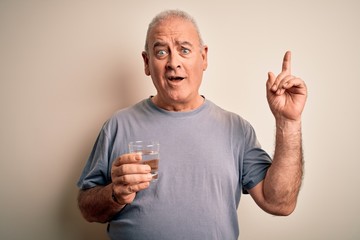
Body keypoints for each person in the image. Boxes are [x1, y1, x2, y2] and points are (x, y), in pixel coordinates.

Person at [77, 9, 307, 239]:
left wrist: (288, 121)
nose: (173, 62)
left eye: (184, 50)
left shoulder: (236, 129)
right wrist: (114, 194)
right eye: (161, 52)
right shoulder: (118, 125)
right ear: (147, 63)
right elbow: (87, 208)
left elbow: (279, 203)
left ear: (204, 57)